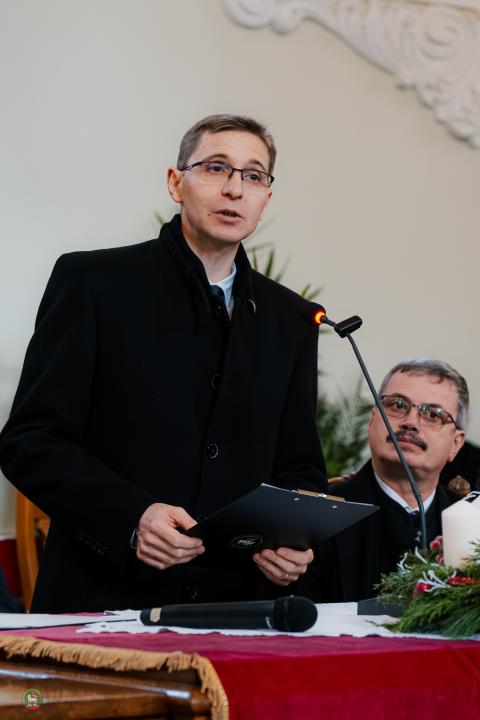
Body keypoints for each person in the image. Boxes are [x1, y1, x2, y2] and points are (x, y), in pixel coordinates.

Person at [0, 114, 326, 612]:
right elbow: (29, 441)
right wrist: (132, 517)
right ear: (176, 183)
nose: (235, 188)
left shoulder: (293, 318)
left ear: (266, 198)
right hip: (103, 598)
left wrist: (291, 539)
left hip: (235, 606)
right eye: (216, 167)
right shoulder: (92, 283)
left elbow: (299, 464)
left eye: (253, 175)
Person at [309, 358, 467, 602]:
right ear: (373, 420)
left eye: (433, 414)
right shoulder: (317, 517)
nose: (410, 422)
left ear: (455, 444)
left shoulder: (471, 523)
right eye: (397, 405)